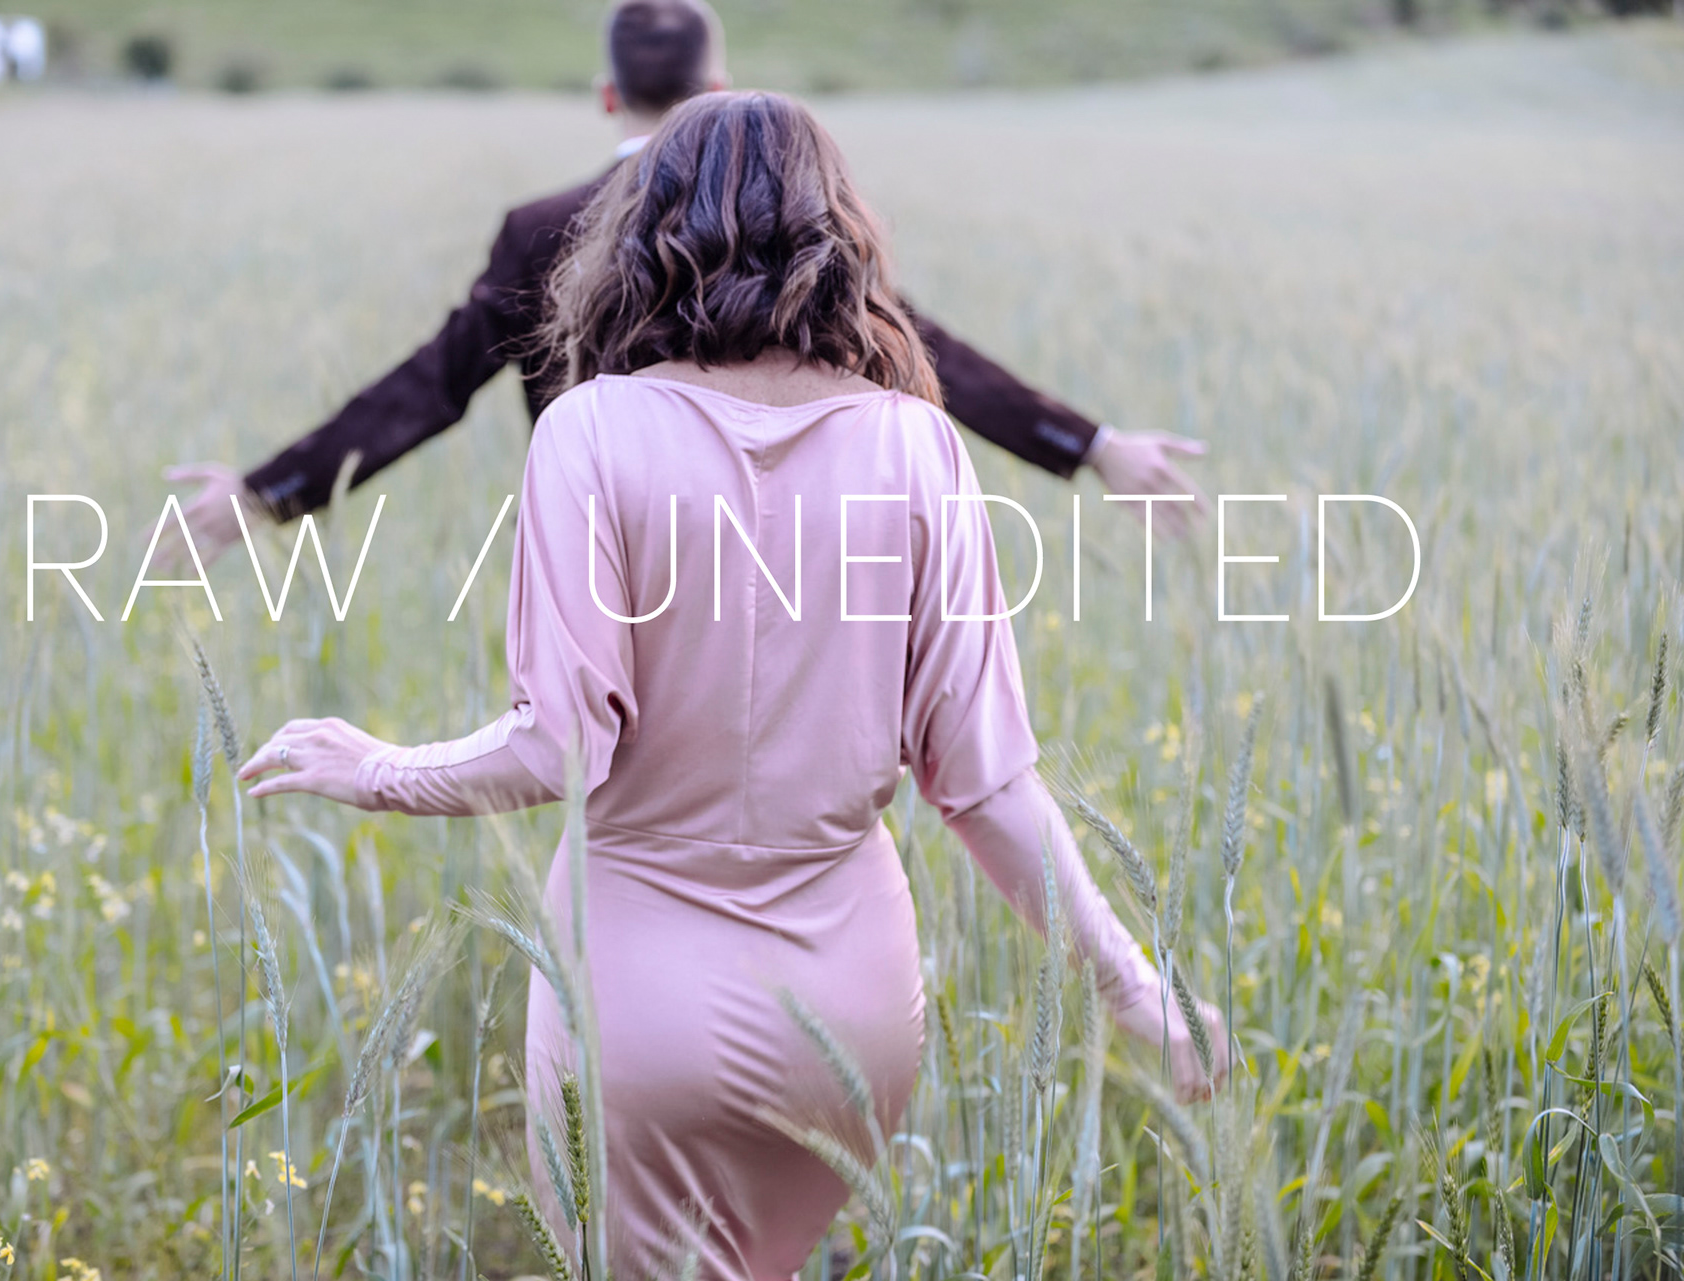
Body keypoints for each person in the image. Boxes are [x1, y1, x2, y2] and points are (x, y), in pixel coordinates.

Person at [239, 90, 1227, 1279]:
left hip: (632, 992)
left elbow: (558, 745)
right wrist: (1136, 990)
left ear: (645, 232)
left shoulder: (589, 432)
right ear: (835, 235)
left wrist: (379, 768)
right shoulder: (917, 444)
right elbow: (989, 787)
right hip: (848, 1012)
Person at [164, 0, 1204, 564]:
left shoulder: (539, 231)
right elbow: (921, 351)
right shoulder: (789, 210)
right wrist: (1093, 446)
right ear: (719, 89)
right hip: (784, 560)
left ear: (607, 94)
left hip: (601, 559)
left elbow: (428, 387)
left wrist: (265, 495)